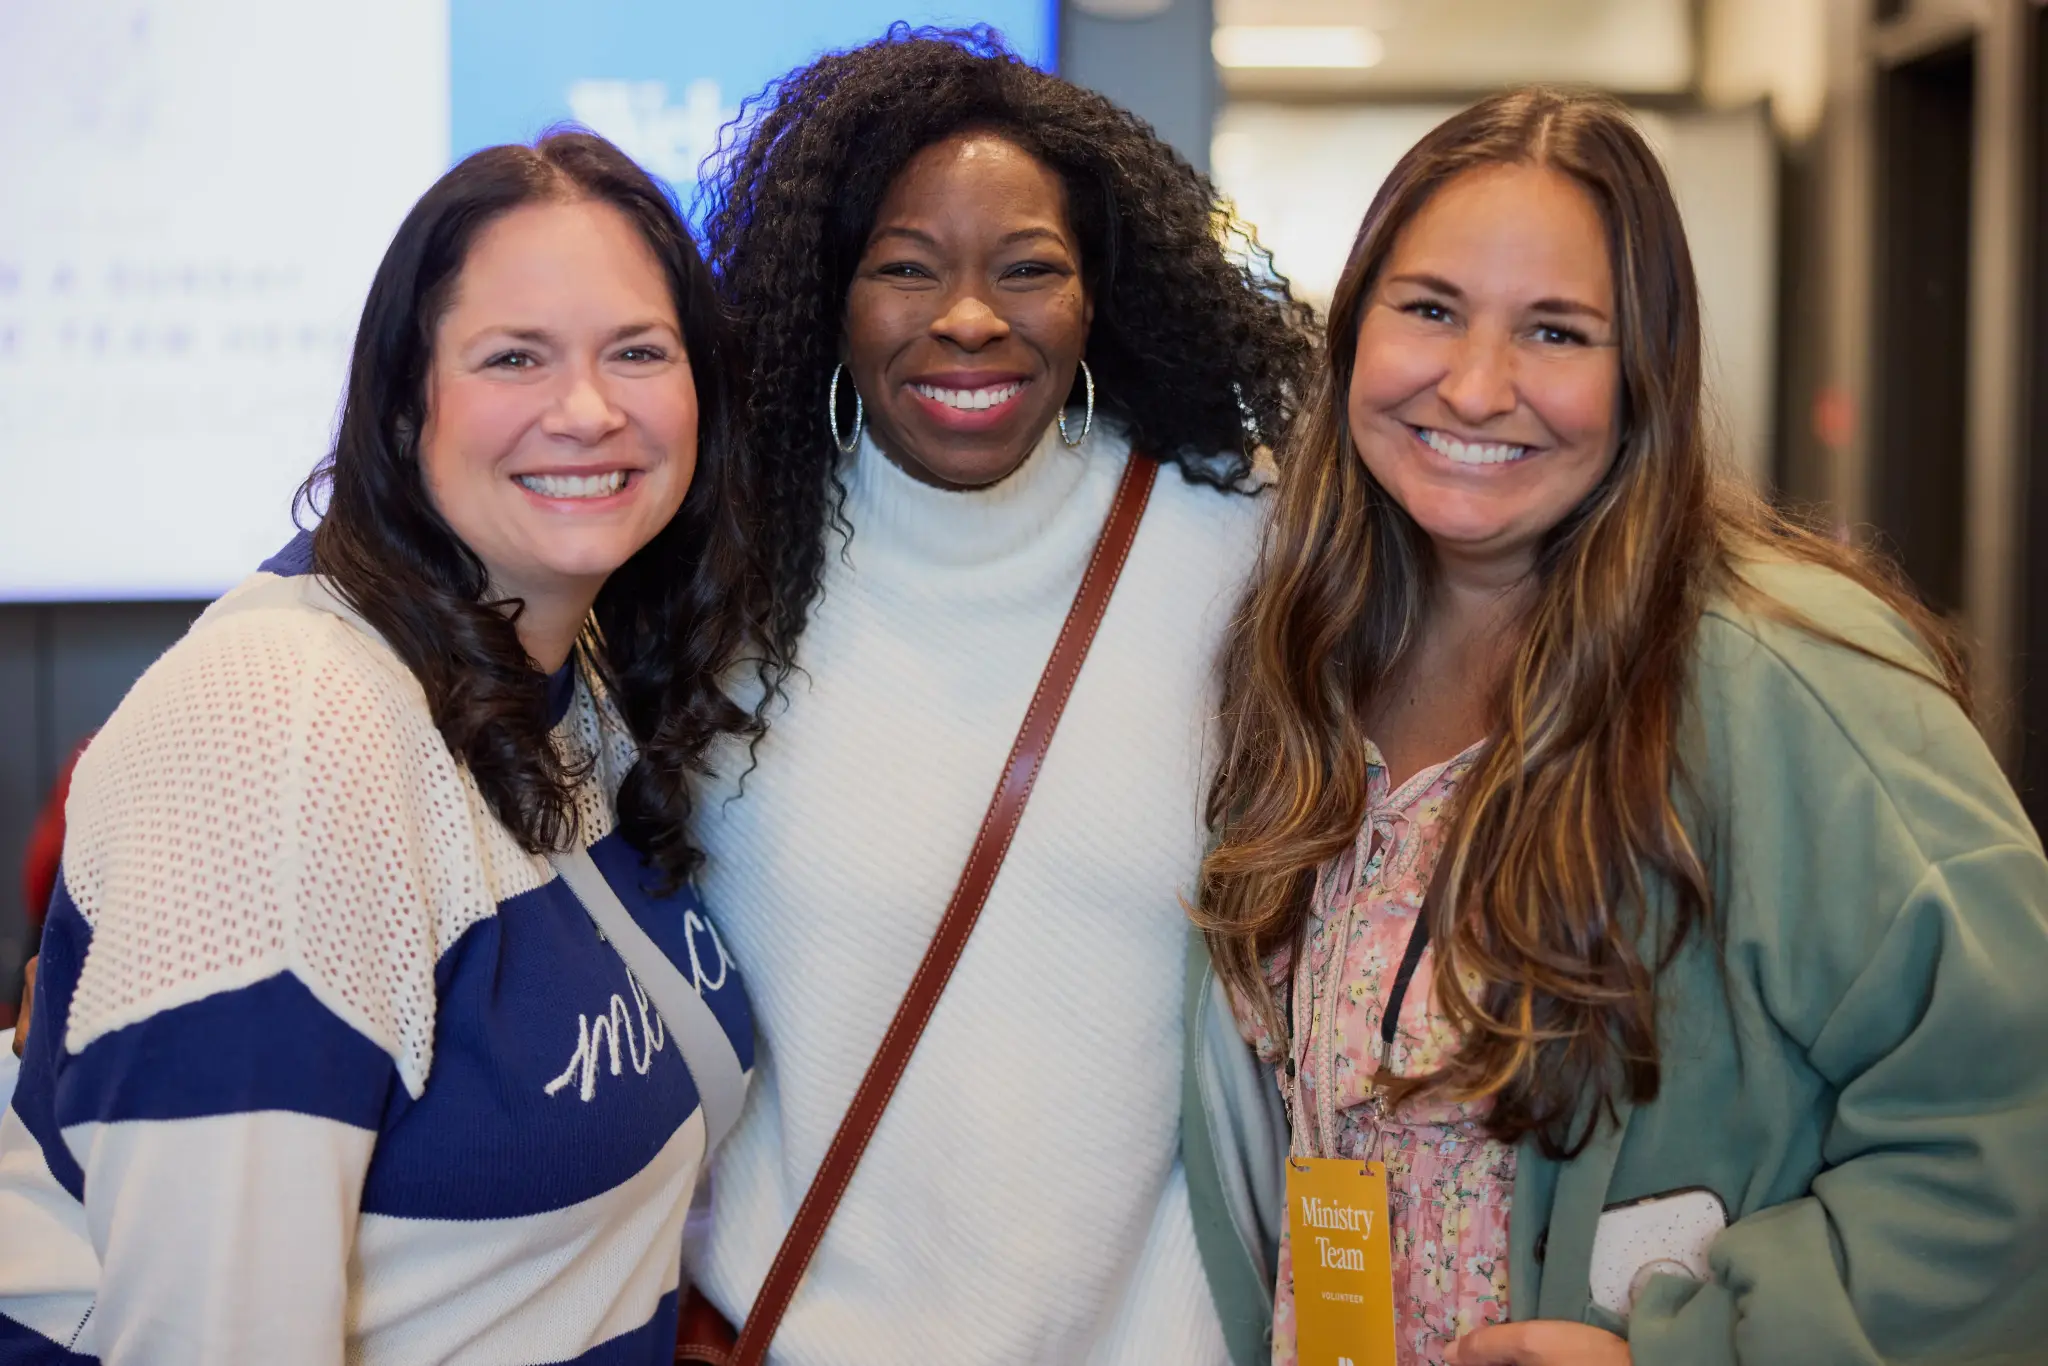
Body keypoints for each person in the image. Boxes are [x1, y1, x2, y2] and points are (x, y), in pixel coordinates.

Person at [1194, 87, 2048, 1366]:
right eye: (1427, 309)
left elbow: (2012, 1124)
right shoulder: (1301, 656)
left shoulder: (1779, 676)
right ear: (1353, 329)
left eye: (1555, 330)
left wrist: (1695, 1352)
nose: (1475, 387)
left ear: (1643, 369)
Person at [0, 131, 757, 1364]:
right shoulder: (283, 729)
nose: (587, 408)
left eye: (637, 351)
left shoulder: (582, 674)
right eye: (515, 356)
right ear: (408, 404)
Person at [679, 26, 1314, 1365]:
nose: (969, 317)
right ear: (826, 295)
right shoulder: (719, 579)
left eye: (1029, 269)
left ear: (1099, 296)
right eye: (905, 269)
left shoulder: (1234, 549)